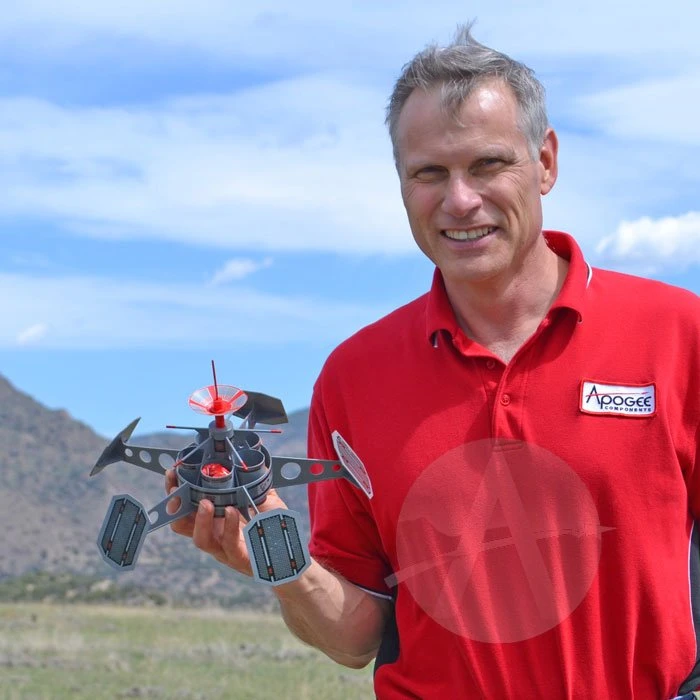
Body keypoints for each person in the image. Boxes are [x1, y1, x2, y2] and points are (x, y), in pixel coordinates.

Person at [168, 24, 700, 699]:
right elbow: (356, 639)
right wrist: (285, 567)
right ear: (401, 184)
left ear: (545, 162)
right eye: (429, 173)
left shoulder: (678, 335)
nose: (460, 200)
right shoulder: (355, 377)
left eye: (488, 164)